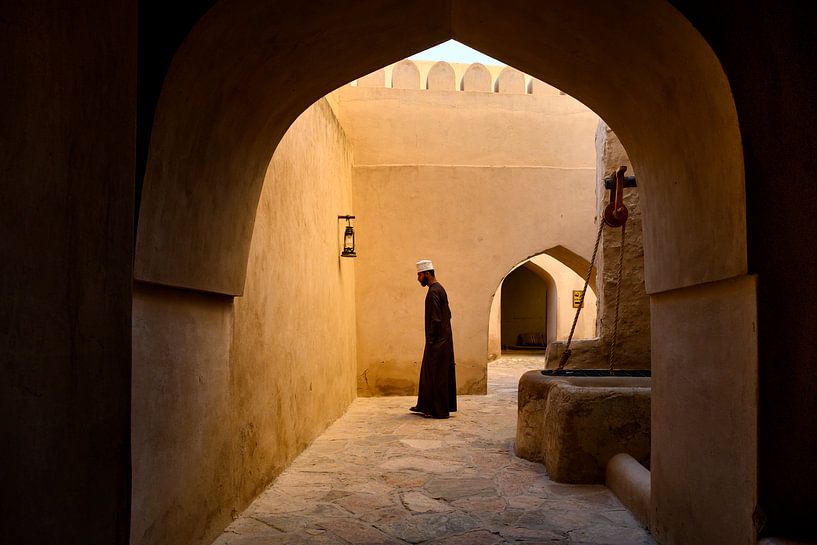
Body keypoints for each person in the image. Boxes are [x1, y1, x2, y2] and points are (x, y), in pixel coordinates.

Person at [410, 259, 457, 418]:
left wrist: (431, 340)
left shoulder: (433, 292)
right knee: (430, 374)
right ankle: (424, 405)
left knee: (436, 375)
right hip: (443, 340)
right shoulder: (440, 289)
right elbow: (448, 314)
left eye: (419, 275)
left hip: (437, 342)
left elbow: (436, 319)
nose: (418, 278)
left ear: (427, 274)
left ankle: (437, 410)